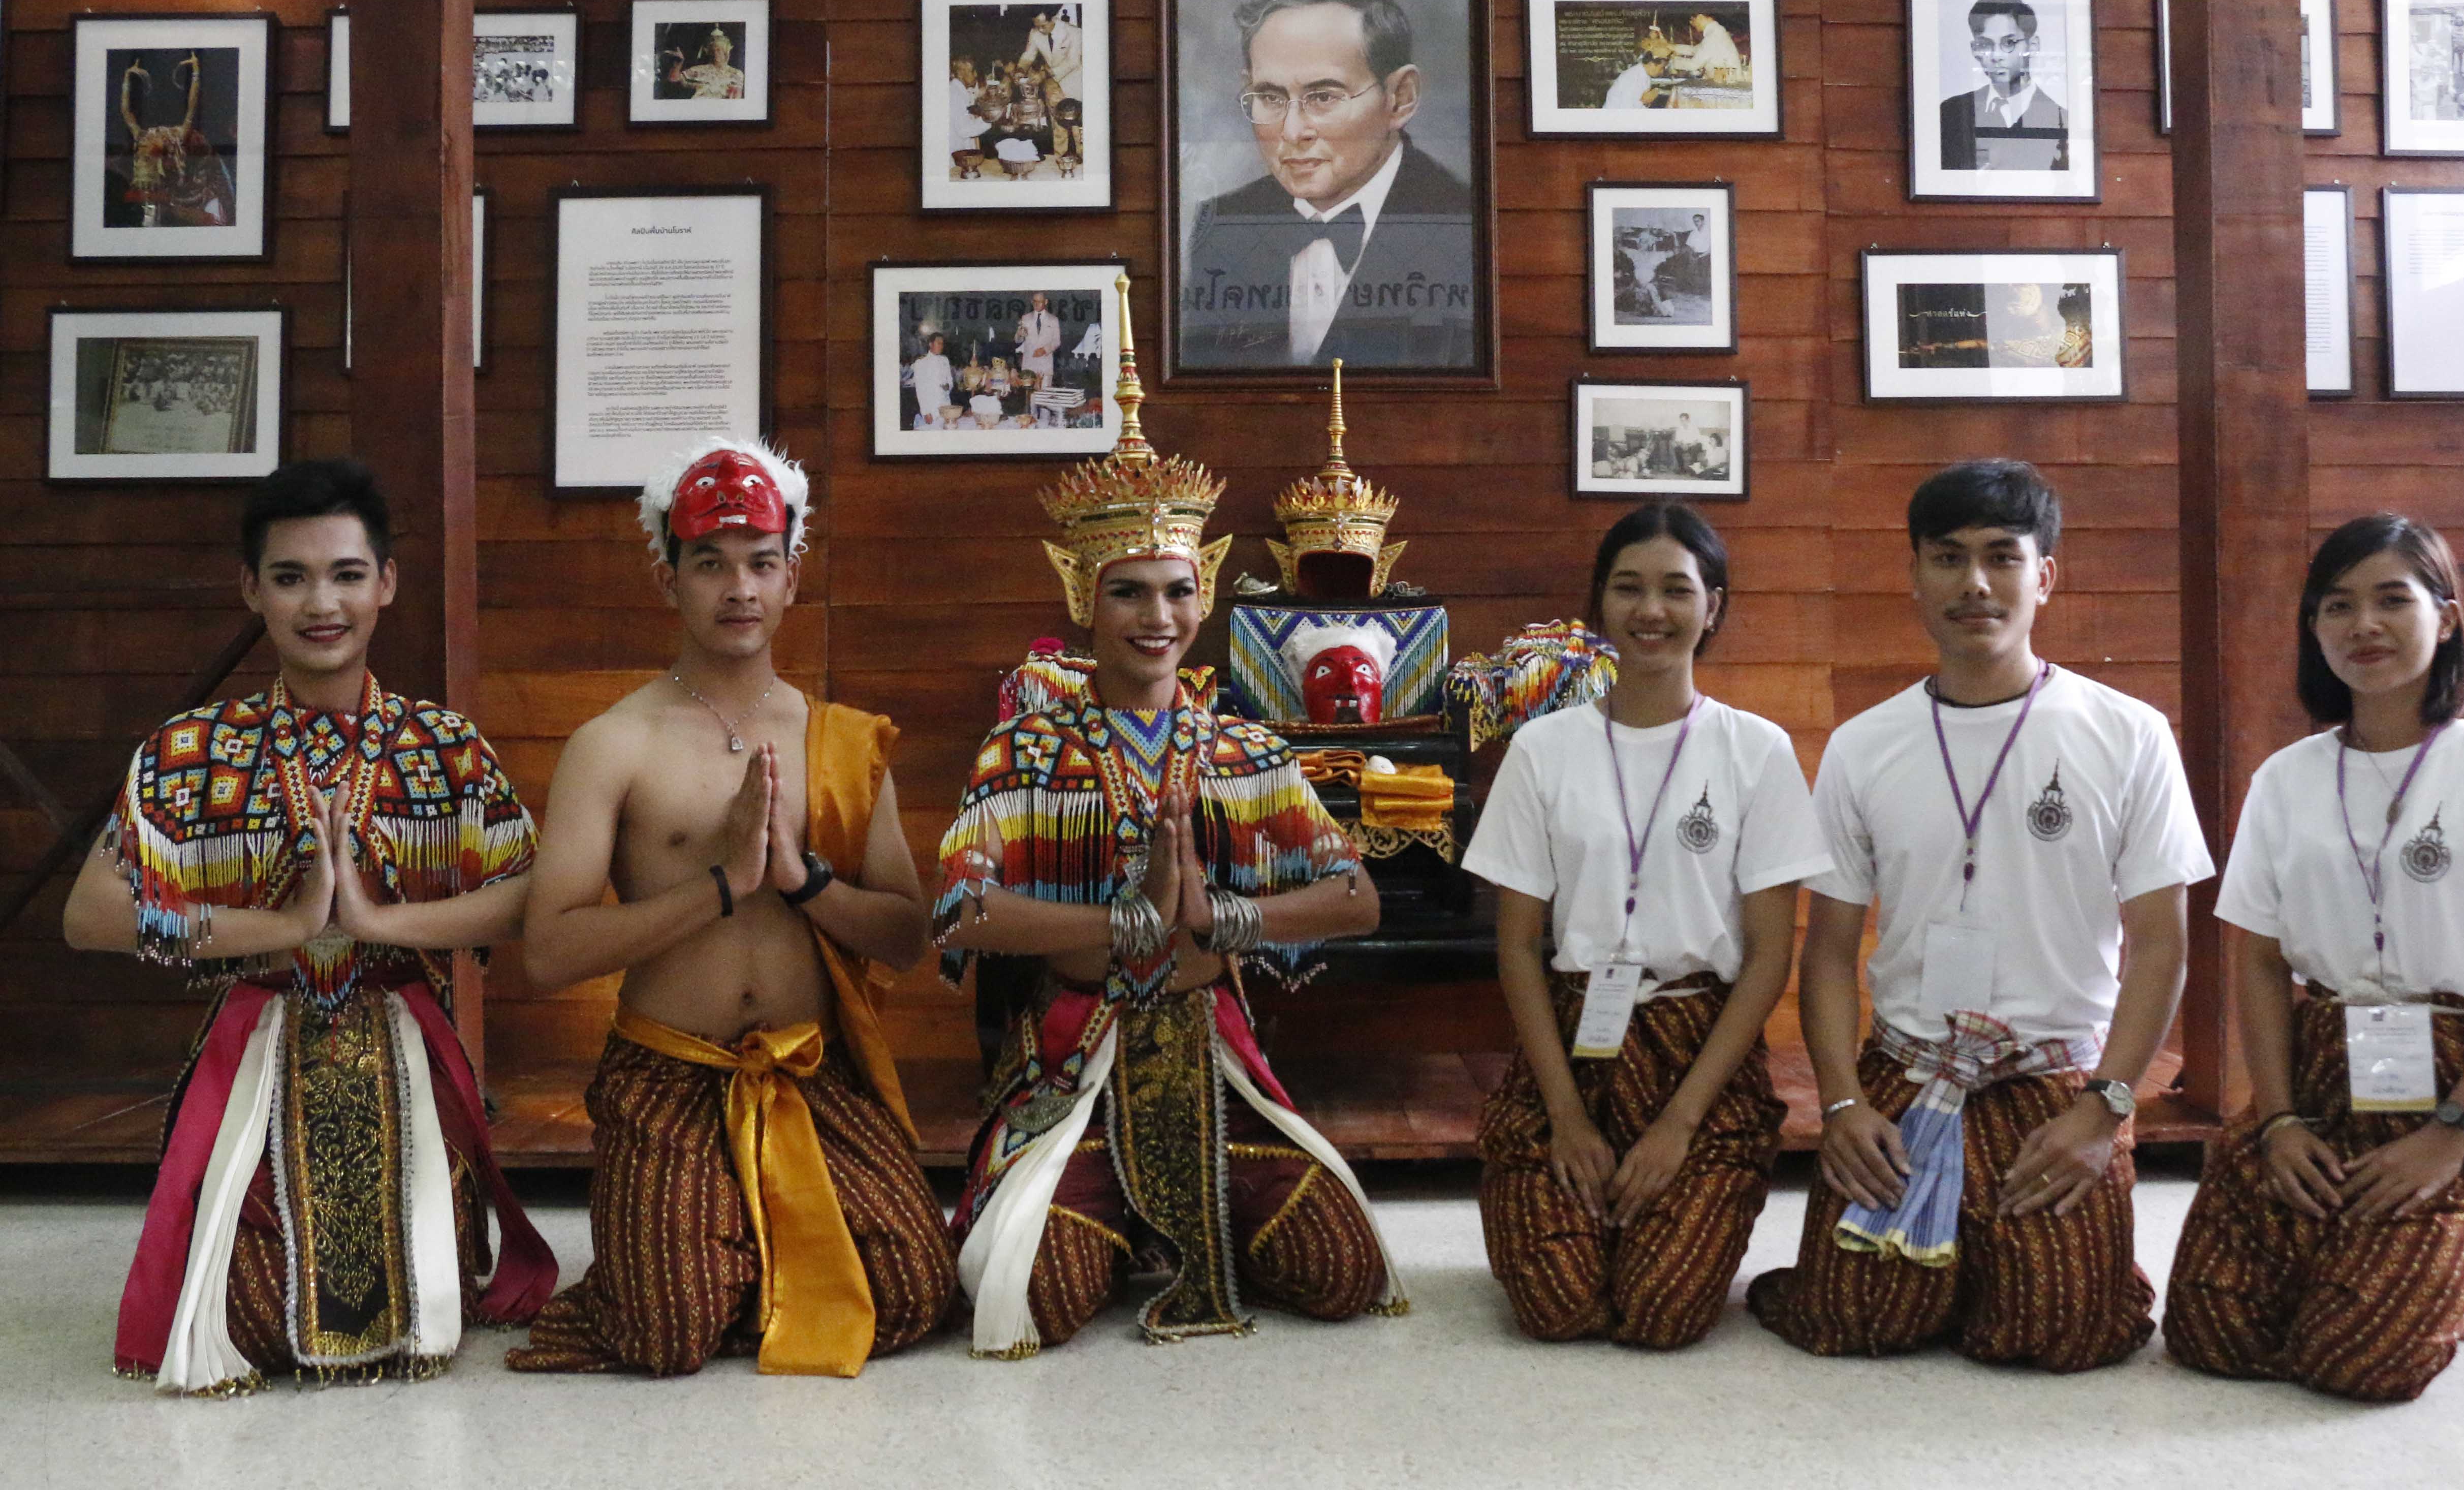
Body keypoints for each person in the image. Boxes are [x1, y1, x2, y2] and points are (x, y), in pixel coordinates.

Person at [934, 283, 1407, 1355]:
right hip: (1077, 1060)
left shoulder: (1244, 749)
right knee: (1029, 1300)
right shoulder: (1029, 748)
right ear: (1081, 594)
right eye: (1130, 592)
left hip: (1213, 1058)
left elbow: (1356, 896)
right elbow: (961, 910)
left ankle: (1169, 1223)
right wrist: (1128, 923)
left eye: (1177, 591)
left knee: (1342, 1271)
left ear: (1207, 593)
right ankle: (1111, 1220)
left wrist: (1223, 918)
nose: (1158, 617)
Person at [65, 458, 554, 1394]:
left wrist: (381, 919)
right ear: (251, 589)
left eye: (346, 574)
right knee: (250, 1316)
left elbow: (529, 894)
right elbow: (90, 917)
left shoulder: (445, 746)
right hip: (255, 1053)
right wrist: (280, 927)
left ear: (387, 583)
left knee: (424, 1306)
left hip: (404, 1054)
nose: (321, 603)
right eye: (290, 577)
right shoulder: (191, 751)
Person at [1748, 458, 2212, 1372]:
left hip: (2057, 1080)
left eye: (2002, 557)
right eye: (1948, 557)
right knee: (1851, 1320)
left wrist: (2105, 1109)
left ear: (2045, 577)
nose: (1975, 583)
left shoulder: (2128, 734)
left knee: (2059, 1333)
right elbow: (1829, 952)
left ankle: (2015, 1263)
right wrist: (1840, 1103)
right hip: (1907, 1069)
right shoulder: (1863, 746)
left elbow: (2161, 943)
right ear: (1915, 576)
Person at [507, 438, 954, 1379]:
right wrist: (718, 884)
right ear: (667, 578)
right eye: (710, 563)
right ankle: (708, 1263)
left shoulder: (841, 738)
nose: (739, 588)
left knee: (918, 1289)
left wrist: (802, 881)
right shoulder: (613, 743)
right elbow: (548, 951)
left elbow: (907, 937)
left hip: (809, 1072)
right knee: (664, 1334)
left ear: (793, 578)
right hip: (668, 1076)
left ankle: (737, 1259)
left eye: (761, 562)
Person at [2163, 516, 2464, 1402]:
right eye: (2337, 606)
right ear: (2314, 629)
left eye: (2391, 600)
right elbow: (2257, 961)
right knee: (2211, 1332)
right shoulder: (2286, 778)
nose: (2363, 625)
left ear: (2446, 618)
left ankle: (2462, 1245)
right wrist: (2279, 1121)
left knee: (2355, 1357)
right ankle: (2410, 1258)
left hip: (2457, 1076)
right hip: (2321, 1067)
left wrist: (2451, 1134)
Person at [1465, 504, 1828, 1348]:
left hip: (1697, 1049)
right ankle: (1561, 1210)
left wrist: (1678, 1125)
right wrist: (1565, 1116)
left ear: (1714, 606)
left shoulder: (1757, 750)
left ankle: (1661, 1207)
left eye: (1677, 589)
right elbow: (1517, 945)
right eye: (1629, 588)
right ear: (1599, 603)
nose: (1651, 610)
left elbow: (1769, 956)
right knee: (1558, 1307)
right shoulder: (1543, 749)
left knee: (1662, 1312)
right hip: (1571, 1043)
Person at [1179, 0, 1475, 370]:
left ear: (1400, 99)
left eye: (1323, 96)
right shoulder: (1223, 227)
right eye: (1270, 97)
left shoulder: (1465, 226)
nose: (1292, 131)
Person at [1939, 0, 2070, 172]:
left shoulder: (2061, 121)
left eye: (2009, 43)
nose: (1996, 56)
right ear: (1974, 50)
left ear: (2033, 46)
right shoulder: (1951, 113)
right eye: (1985, 45)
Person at [1667, 10, 1744, 84]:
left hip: (1729, 86)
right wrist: (1673, 47)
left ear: (1700, 17)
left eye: (1692, 20)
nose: (1691, 23)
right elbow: (1695, 50)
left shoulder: (1714, 36)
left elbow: (1694, 65)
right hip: (1726, 83)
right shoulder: (1716, 32)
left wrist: (1671, 62)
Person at [1018, 293, 1062, 391]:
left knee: (1045, 396)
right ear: (1032, 302)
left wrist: (1044, 350)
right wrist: (1019, 335)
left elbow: (1057, 341)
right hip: (1029, 365)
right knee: (1029, 396)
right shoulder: (1025, 318)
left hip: (1045, 364)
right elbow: (1018, 341)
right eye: (1035, 301)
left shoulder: (1054, 320)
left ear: (1046, 302)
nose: (1037, 304)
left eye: (1040, 302)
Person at [910, 332, 955, 428]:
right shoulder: (921, 362)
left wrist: (948, 386)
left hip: (946, 404)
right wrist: (926, 412)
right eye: (939, 343)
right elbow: (920, 389)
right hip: (932, 407)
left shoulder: (945, 360)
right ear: (931, 344)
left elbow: (950, 381)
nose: (941, 346)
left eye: (942, 344)